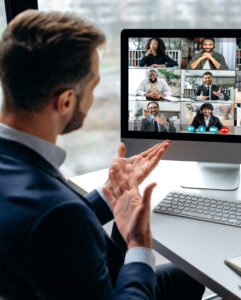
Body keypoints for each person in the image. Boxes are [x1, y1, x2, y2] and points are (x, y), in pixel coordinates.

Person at [0, 10, 205, 300]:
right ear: (66, 101)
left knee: (187, 279)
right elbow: (55, 219)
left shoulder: (17, 165)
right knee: (191, 277)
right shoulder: (58, 214)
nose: (94, 97)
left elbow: (47, 225)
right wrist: (139, 244)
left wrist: (110, 192)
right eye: (93, 86)